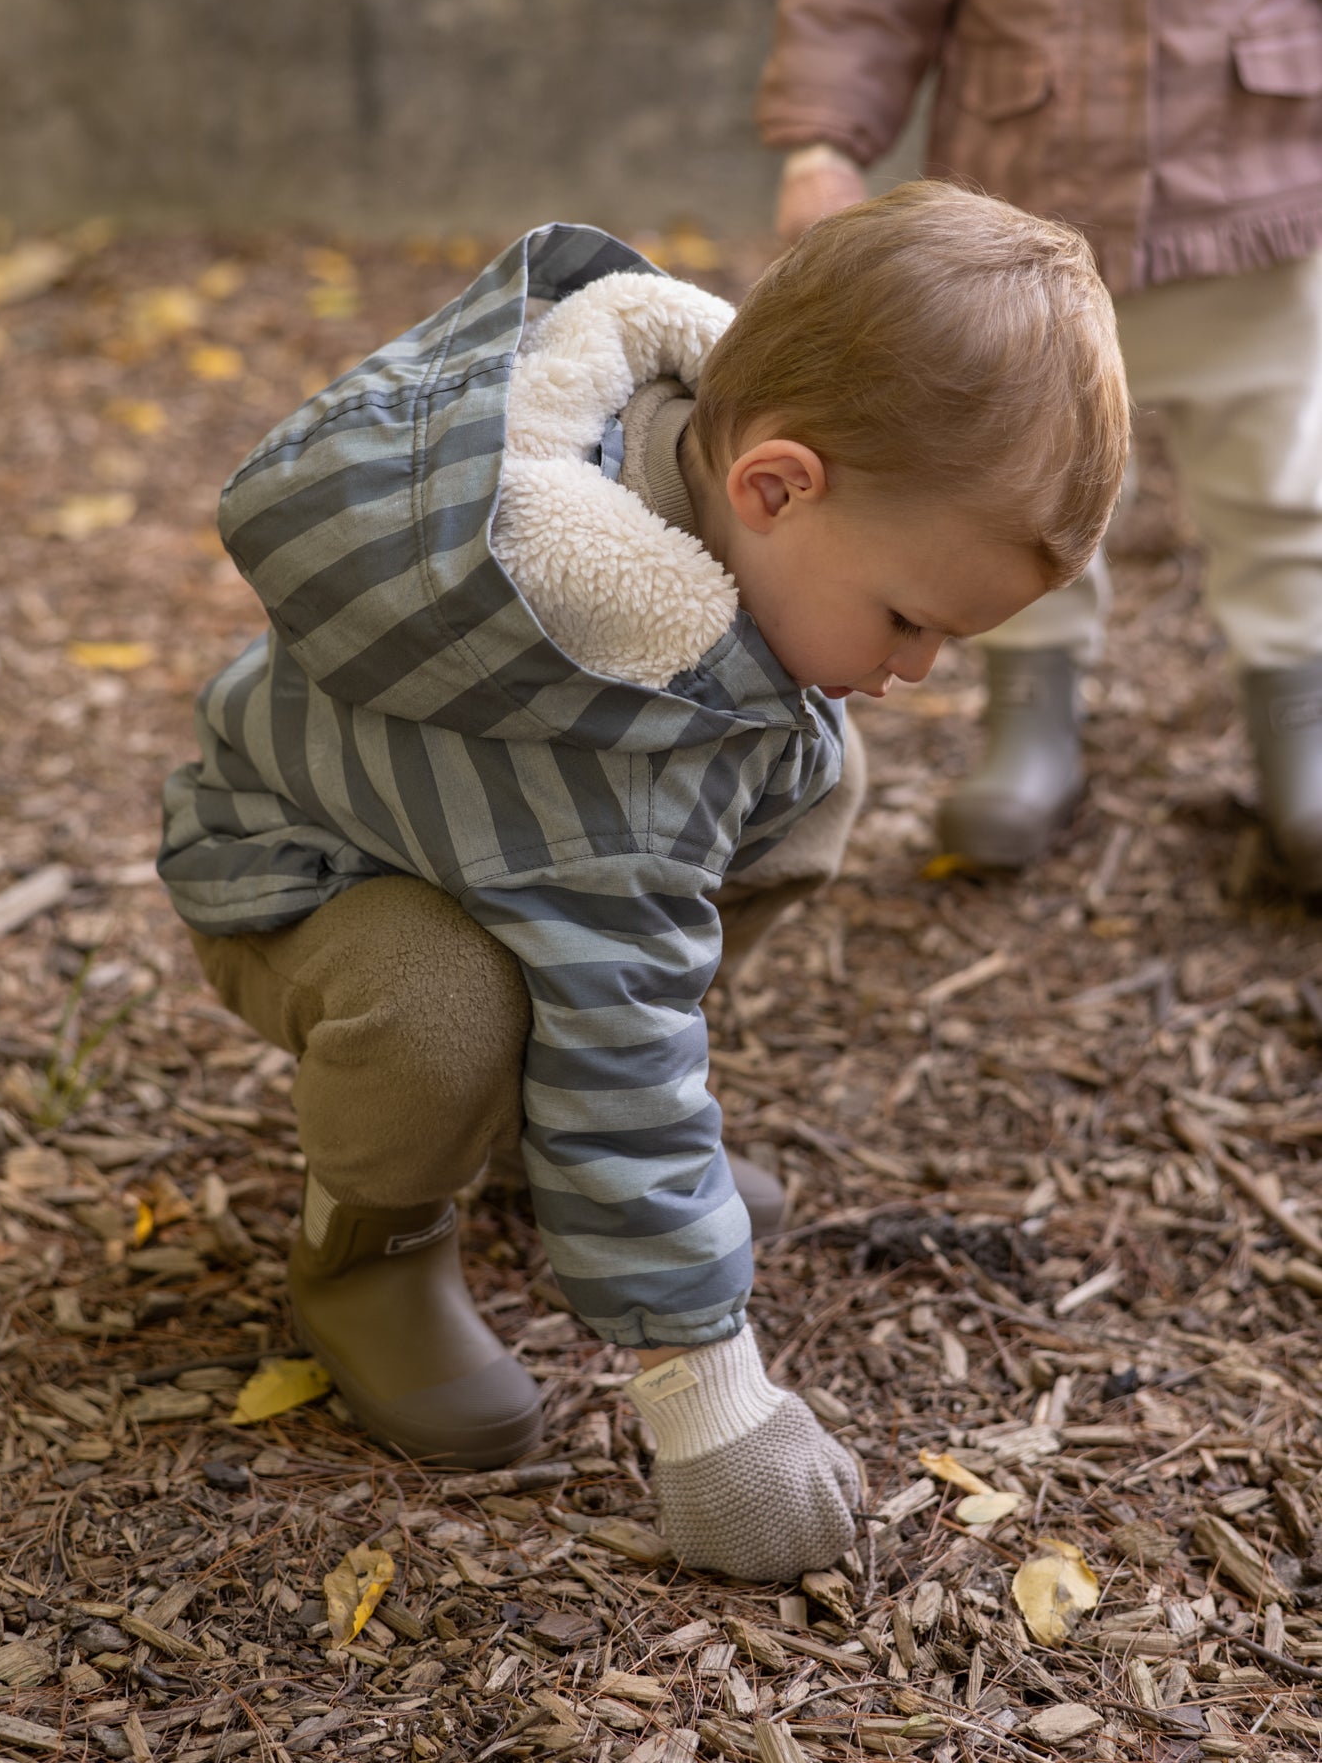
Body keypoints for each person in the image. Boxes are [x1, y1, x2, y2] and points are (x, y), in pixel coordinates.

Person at [158, 186, 1128, 1581]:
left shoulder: (677, 449)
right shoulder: (618, 693)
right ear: (774, 486)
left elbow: (634, 946)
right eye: (909, 618)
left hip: (499, 847)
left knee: (813, 777)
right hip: (304, 875)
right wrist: (710, 1406)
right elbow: (624, 1014)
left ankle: (515, 1129)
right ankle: (365, 1246)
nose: (916, 670)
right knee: (446, 1005)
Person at [758, 0, 1322, 890]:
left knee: (1282, 476)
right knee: (1007, 475)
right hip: (1030, 223)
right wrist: (823, 138)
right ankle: (1030, 705)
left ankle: (1302, 712)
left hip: (1255, 186)